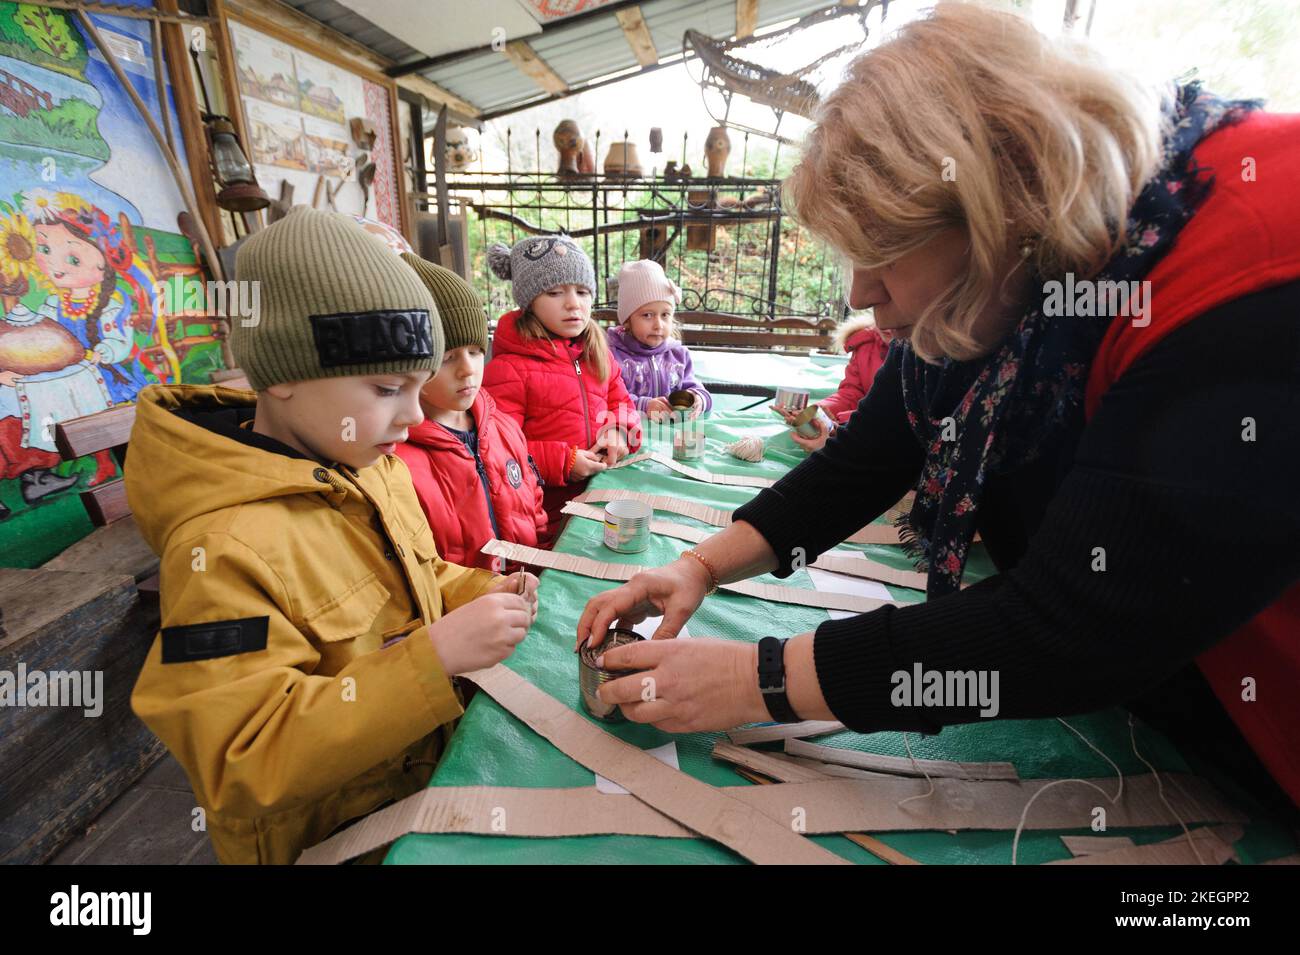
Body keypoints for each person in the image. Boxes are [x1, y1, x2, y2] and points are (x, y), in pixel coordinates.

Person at [576, 4, 1300, 812]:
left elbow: (1077, 622)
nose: (858, 293)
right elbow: (872, 452)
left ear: (1006, 203)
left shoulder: (1253, 280)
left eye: (883, 252)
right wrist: (698, 565)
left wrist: (762, 677)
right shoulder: (1029, 260)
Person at [126, 208, 539, 864]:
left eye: (415, 386)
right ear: (284, 374)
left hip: (417, 802)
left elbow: (423, 574)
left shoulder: (371, 471)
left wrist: (488, 590)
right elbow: (240, 757)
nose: (411, 415)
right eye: (386, 387)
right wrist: (432, 659)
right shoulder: (220, 552)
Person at [482, 235, 641, 540]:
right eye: (555, 292)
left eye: (582, 292)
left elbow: (622, 403)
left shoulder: (597, 352)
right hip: (545, 518)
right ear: (529, 302)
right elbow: (496, 451)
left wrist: (619, 431)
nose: (573, 304)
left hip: (601, 499)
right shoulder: (509, 369)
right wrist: (560, 463)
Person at [394, 253, 547, 569]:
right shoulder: (396, 460)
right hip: (467, 612)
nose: (468, 370)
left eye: (476, 352)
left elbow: (533, 507)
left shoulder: (501, 427)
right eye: (447, 357)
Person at [606, 259, 713, 422]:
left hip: (673, 438)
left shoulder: (678, 355)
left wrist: (698, 399)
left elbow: (696, 388)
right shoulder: (612, 356)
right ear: (627, 320)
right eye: (647, 315)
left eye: (665, 315)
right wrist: (643, 405)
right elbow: (607, 399)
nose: (658, 325)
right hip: (632, 439)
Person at [779, 315, 889, 452]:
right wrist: (816, 412)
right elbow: (852, 393)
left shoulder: (918, 354)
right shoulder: (865, 343)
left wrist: (842, 423)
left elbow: (896, 414)